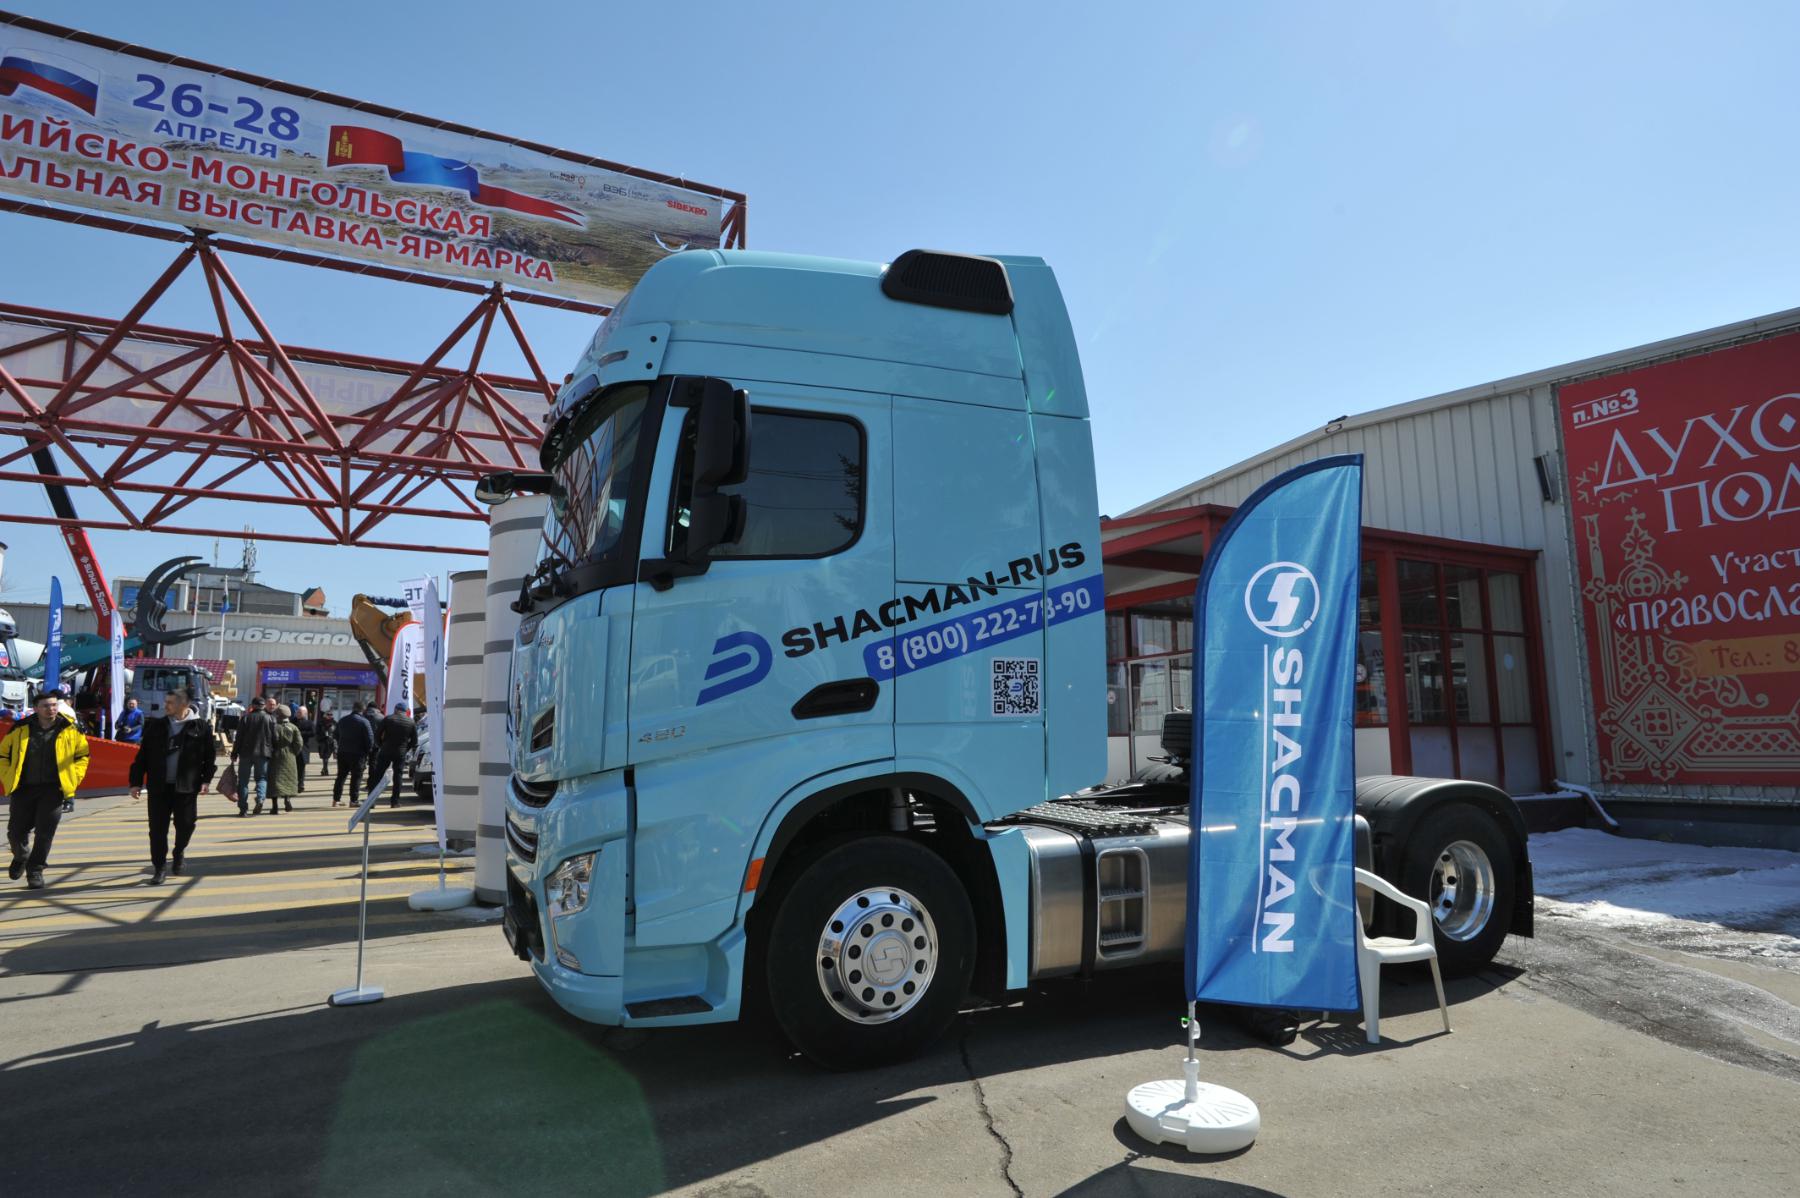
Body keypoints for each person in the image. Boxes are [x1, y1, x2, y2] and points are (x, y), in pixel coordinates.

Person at [0, 690, 90, 889]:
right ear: (36, 709)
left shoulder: (70, 728)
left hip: (53, 790)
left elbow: (83, 755)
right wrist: (7, 776)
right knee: (15, 833)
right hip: (23, 789)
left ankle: (35, 870)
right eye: (46, 706)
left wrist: (73, 778)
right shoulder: (20, 728)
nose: (51, 709)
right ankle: (21, 856)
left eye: (54, 705)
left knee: (44, 833)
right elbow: (3, 754)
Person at [128, 687, 215, 885]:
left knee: (186, 825)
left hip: (186, 787)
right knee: (157, 830)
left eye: (170, 702)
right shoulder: (156, 726)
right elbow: (142, 756)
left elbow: (209, 757)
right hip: (159, 787)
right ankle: (159, 868)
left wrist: (206, 780)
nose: (165, 705)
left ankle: (179, 851)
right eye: (165, 702)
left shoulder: (200, 727)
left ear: (184, 704)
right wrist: (135, 782)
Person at [231, 696, 275, 816]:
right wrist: (272, 751)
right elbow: (274, 737)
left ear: (253, 705)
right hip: (263, 753)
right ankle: (260, 798)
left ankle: (243, 809)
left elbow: (239, 737)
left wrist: (234, 753)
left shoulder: (246, 718)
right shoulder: (270, 718)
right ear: (263, 706)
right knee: (261, 778)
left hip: (246, 753)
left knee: (243, 781)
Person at [369, 702, 416, 808]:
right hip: (400, 753)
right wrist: (405, 749)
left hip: (386, 751)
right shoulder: (411, 722)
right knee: (398, 776)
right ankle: (395, 802)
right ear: (406, 711)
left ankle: (371, 801)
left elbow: (377, 734)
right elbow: (414, 741)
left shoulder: (388, 719)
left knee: (377, 775)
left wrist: (381, 745)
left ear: (395, 709)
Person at [332, 701, 372, 807]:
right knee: (356, 777)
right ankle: (353, 800)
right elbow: (370, 739)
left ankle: (336, 800)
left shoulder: (342, 720)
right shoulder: (364, 722)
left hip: (343, 752)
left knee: (341, 776)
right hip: (358, 754)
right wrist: (368, 752)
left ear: (353, 708)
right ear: (363, 710)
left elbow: (335, 735)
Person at [269, 704, 303, 814]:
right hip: (289, 756)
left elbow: (268, 742)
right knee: (288, 779)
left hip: (275, 755)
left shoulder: (273, 727)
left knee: (274, 780)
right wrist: (293, 753)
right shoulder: (293, 727)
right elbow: (299, 743)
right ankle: (287, 799)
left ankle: (275, 806)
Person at [292, 704, 315, 792]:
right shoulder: (292, 721)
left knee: (301, 768)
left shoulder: (309, 723)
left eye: (300, 712)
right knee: (293, 767)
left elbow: (313, 733)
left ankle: (301, 784)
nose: (298, 713)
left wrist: (300, 734)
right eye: (297, 712)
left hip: (303, 748)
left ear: (305, 713)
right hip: (293, 748)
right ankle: (293, 783)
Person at [315, 708, 336, 778]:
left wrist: (335, 739)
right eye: (328, 714)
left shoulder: (334, 723)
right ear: (325, 715)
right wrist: (322, 737)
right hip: (323, 741)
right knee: (325, 757)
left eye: (331, 714)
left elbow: (337, 732)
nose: (330, 716)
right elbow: (317, 732)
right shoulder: (320, 722)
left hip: (332, 742)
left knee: (335, 756)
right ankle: (325, 769)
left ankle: (325, 769)